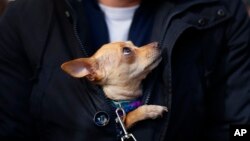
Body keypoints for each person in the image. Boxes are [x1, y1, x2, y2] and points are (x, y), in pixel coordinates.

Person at [0, 0, 249, 141]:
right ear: (92, 72)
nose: (148, 48)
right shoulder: (25, 19)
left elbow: (239, 128)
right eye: (128, 52)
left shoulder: (220, 11)